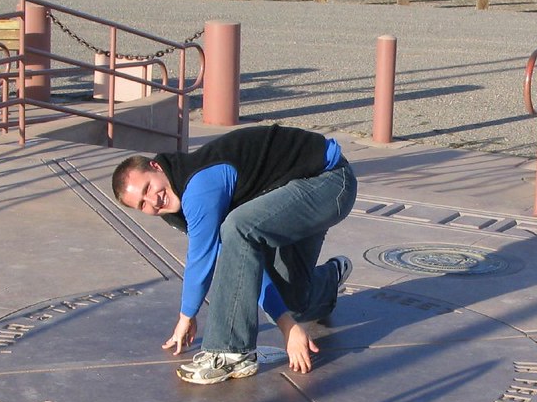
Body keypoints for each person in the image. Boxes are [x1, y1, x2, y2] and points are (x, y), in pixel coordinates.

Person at [111, 125, 357, 385]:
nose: (153, 201)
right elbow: (240, 265)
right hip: (292, 192)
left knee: (237, 226)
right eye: (142, 205)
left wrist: (187, 315)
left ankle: (230, 351)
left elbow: (202, 259)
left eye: (148, 188)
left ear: (157, 167)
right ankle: (329, 280)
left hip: (329, 182)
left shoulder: (198, 185)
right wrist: (288, 324)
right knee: (291, 301)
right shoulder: (177, 208)